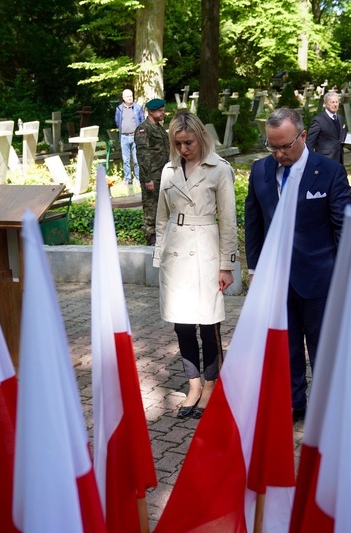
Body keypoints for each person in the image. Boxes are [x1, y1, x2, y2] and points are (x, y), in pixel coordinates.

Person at [244, 107, 351, 423]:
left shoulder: (329, 172)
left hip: (320, 278)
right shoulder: (260, 170)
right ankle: (295, 404)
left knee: (323, 349)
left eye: (285, 146)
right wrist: (254, 269)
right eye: (272, 146)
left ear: (303, 136)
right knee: (287, 347)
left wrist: (345, 276)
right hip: (276, 280)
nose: (278, 153)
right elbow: (254, 224)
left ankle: (326, 407)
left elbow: (344, 227)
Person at [153, 111, 238, 420]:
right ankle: (193, 385)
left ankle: (213, 383)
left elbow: (228, 220)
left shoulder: (219, 170)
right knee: (182, 323)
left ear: (201, 137)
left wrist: (227, 265)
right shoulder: (169, 171)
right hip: (175, 252)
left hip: (206, 250)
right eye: (178, 143)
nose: (184, 149)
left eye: (188, 142)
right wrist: (158, 255)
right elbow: (161, 217)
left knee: (208, 322)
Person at [135, 98, 169, 245]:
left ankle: (161, 234)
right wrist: (147, 178)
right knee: (151, 207)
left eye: (163, 110)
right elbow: (143, 155)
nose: (163, 113)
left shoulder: (159, 128)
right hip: (152, 175)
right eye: (160, 111)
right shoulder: (144, 129)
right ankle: (151, 236)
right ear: (151, 111)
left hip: (163, 174)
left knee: (162, 206)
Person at [114, 89, 145, 190]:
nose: (130, 98)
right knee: (126, 160)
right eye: (127, 96)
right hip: (124, 137)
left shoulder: (138, 108)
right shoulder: (119, 109)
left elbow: (142, 122)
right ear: (123, 98)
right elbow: (117, 121)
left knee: (136, 160)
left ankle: (137, 179)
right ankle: (128, 179)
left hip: (135, 137)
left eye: (131, 96)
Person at [305, 91, 347, 163]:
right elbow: (310, 143)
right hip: (324, 160)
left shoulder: (341, 119)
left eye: (336, 102)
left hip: (339, 161)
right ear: (325, 104)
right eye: (332, 102)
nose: (335, 105)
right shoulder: (318, 120)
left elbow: (343, 139)